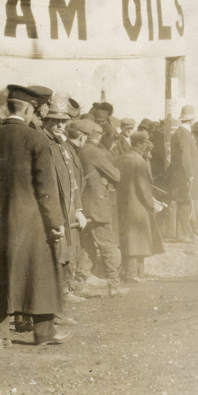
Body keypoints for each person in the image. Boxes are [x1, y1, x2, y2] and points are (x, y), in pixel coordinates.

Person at [0, 84, 73, 348]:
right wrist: (56, 223)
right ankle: (43, 333)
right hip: (32, 221)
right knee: (40, 274)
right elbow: (46, 189)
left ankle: (0, 336)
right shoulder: (37, 139)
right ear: (28, 109)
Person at [41, 93, 88, 305]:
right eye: (56, 121)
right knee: (56, 254)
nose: (60, 126)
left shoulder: (62, 145)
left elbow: (72, 180)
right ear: (46, 120)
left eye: (63, 121)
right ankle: (58, 295)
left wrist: (78, 208)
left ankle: (65, 291)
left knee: (70, 250)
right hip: (54, 210)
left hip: (68, 209)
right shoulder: (43, 143)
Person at [73, 119, 123, 296]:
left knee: (87, 248)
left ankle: (78, 285)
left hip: (82, 207)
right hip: (97, 207)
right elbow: (116, 175)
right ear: (99, 136)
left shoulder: (78, 150)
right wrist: (107, 178)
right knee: (109, 246)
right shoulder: (94, 152)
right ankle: (114, 286)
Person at [114, 132, 164, 282]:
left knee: (127, 239)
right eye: (145, 143)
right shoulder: (139, 161)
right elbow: (143, 187)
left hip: (122, 204)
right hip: (138, 205)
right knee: (138, 241)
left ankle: (134, 273)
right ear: (140, 143)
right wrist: (152, 205)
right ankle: (132, 274)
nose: (147, 146)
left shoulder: (120, 159)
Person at [168, 105, 198, 241]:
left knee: (185, 204)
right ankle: (182, 234)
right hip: (184, 176)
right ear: (191, 121)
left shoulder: (179, 133)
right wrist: (189, 175)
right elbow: (185, 157)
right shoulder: (184, 134)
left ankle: (186, 232)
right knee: (185, 204)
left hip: (180, 175)